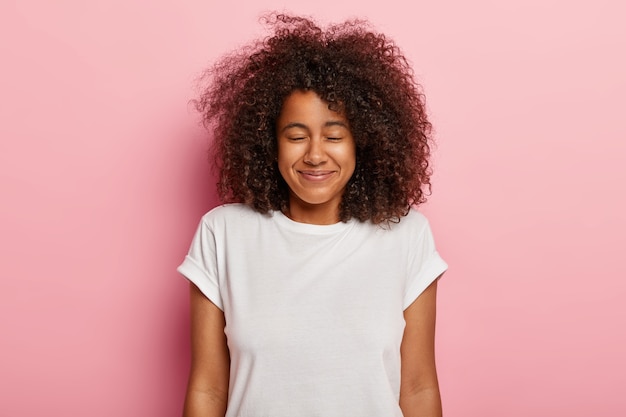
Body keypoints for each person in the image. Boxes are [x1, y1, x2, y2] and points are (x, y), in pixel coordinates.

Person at [178, 13, 448, 417]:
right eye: (297, 136)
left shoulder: (407, 235)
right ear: (270, 143)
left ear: (363, 142)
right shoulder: (223, 234)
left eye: (335, 136)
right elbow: (208, 390)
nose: (316, 154)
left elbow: (418, 386)